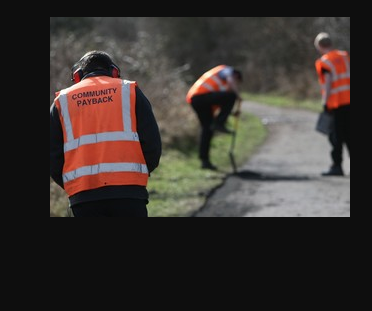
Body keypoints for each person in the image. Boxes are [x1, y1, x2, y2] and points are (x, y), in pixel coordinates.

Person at [50, 51, 162, 217]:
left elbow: (53, 155)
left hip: (83, 197)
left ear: (78, 75)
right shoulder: (129, 91)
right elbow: (152, 142)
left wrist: (73, 185)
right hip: (129, 193)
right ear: (114, 71)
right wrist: (138, 175)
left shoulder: (62, 101)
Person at [186, 65, 243, 170]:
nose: (235, 85)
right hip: (199, 97)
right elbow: (230, 82)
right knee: (231, 96)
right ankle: (219, 123)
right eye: (237, 82)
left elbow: (222, 105)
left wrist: (231, 113)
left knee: (207, 129)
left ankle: (205, 161)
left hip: (198, 101)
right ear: (236, 76)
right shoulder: (226, 70)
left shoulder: (222, 85)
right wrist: (238, 95)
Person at [314, 33, 350, 176]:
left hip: (336, 103)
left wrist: (325, 102)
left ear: (319, 46)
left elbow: (328, 82)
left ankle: (337, 166)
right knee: (349, 134)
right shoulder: (345, 56)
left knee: (336, 136)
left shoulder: (325, 62)